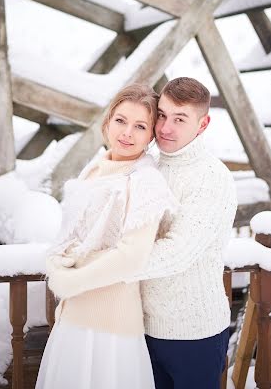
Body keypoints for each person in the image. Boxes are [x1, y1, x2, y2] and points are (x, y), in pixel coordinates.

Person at [35, 83, 178, 389]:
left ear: (151, 135)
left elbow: (131, 258)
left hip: (109, 328)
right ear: (108, 121)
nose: (127, 133)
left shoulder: (145, 181)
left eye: (140, 126)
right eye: (121, 121)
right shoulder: (95, 170)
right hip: (72, 319)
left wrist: (69, 282)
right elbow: (72, 236)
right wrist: (57, 264)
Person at [134, 77, 238, 389]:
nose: (165, 128)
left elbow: (177, 253)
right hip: (144, 326)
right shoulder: (150, 166)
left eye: (180, 119)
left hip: (194, 334)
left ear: (203, 124)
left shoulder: (211, 177)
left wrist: (109, 264)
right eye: (162, 115)